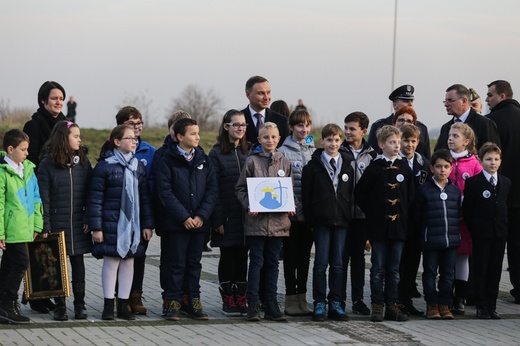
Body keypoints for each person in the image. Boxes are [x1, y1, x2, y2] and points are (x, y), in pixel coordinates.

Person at [88, 125, 154, 321]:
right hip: (111, 223)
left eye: (135, 139)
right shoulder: (104, 166)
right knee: (111, 261)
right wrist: (96, 227)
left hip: (132, 225)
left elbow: (144, 198)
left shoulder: (138, 166)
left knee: (129, 262)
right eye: (129, 138)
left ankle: (123, 304)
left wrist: (147, 225)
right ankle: (109, 304)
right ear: (117, 142)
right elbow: (95, 199)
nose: (134, 141)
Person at [155, 118, 217, 321]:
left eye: (198, 133)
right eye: (192, 133)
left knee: (194, 263)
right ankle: (173, 302)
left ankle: (193, 299)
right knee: (176, 264)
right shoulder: (167, 160)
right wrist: (184, 217)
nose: (197, 137)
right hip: (177, 224)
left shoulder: (204, 160)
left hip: (198, 225)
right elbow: (165, 192)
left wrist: (200, 216)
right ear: (180, 136)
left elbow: (211, 190)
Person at [235, 122, 294, 322]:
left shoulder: (285, 162)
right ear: (259, 140)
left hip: (278, 224)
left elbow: (288, 190)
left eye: (273, 137)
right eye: (265, 137)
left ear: (279, 139)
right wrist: (250, 204)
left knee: (273, 264)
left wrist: (290, 204)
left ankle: (271, 303)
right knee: (256, 263)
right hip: (257, 224)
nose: (270, 140)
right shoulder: (252, 161)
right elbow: (241, 189)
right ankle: (252, 303)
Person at [355, 125, 414, 322]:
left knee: (394, 269)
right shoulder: (374, 168)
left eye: (398, 142)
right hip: (379, 227)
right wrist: (373, 213)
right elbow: (360, 194)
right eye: (392, 142)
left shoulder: (404, 168)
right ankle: (377, 305)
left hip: (398, 228)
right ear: (381, 144)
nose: (397, 146)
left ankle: (392, 304)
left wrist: (403, 215)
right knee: (378, 268)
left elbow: (410, 196)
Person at [38, 121, 92, 321]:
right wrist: (45, 225)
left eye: (79, 136)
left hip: (78, 223)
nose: (79, 139)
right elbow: (44, 198)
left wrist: (88, 217)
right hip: (56, 224)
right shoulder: (47, 164)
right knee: (57, 266)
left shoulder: (84, 162)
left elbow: (91, 193)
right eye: (75, 136)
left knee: (78, 264)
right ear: (64, 138)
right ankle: (60, 305)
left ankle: (80, 304)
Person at [302, 123, 353, 322]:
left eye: (337, 140)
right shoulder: (313, 166)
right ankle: (319, 302)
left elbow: (351, 193)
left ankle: (336, 302)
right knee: (321, 263)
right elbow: (307, 196)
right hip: (321, 220)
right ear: (322, 141)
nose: (333, 143)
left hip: (341, 220)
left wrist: (347, 214)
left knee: (338, 264)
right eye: (329, 140)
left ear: (341, 141)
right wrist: (310, 219)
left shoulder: (348, 164)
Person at [209, 110, 250, 316]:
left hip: (247, 216)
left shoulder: (249, 151)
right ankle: (228, 297)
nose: (240, 129)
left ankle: (241, 296)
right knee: (228, 255)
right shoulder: (216, 153)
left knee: (243, 256)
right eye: (236, 125)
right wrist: (217, 219)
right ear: (226, 127)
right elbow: (212, 188)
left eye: (243, 125)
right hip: (225, 214)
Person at [115, 106, 156, 314]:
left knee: (139, 255)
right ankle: (118, 296)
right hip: (120, 212)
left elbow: (154, 185)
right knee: (118, 256)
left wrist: (150, 221)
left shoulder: (149, 151)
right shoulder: (111, 150)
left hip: (142, 213)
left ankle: (136, 295)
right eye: (132, 123)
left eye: (139, 122)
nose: (137, 127)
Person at [463, 142, 511, 319]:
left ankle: (492, 304)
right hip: (481, 233)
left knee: (495, 270)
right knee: (481, 269)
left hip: (499, 233)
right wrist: (476, 228)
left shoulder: (506, 182)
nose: (493, 163)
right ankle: (481, 305)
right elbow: (468, 210)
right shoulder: (474, 183)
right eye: (489, 159)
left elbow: (504, 206)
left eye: (496, 159)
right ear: (481, 161)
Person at [0, 129, 43, 324]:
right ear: (10, 149)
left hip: (25, 227)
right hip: (12, 228)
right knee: (20, 263)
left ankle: (3, 305)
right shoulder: (3, 173)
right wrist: (0, 232)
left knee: (9, 265)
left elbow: (36, 198)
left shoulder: (28, 169)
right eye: (23, 149)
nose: (27, 153)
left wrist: (37, 224)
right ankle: (9, 303)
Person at [152, 110, 192, 316]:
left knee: (188, 261)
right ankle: (170, 297)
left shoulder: (196, 152)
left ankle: (187, 296)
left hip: (191, 219)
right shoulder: (162, 154)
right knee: (170, 261)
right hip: (169, 218)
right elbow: (161, 189)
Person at [485, 80, 520, 303]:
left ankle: (486, 291)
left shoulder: (492, 121)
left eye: (490, 95)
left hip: (501, 194)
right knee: (518, 245)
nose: (487, 99)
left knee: (493, 246)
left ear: (502, 96)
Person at [415, 149, 461, 320]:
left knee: (448, 274)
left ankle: (444, 304)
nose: (442, 170)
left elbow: (459, 213)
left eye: (446, 166)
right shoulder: (424, 190)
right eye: (439, 166)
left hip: (451, 240)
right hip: (431, 240)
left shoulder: (455, 191)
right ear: (432, 168)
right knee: (429, 273)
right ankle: (432, 305)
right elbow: (418, 215)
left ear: (451, 168)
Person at [278, 109, 315, 316]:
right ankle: (290, 298)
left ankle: (302, 297)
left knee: (305, 259)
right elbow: (285, 184)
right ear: (292, 127)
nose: (304, 129)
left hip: (309, 216)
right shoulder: (283, 151)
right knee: (291, 258)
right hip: (291, 216)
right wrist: (297, 209)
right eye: (300, 125)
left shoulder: (313, 149)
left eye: (307, 125)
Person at [340, 111, 377, 316]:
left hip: (363, 217)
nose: (347, 132)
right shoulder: (339, 151)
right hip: (343, 216)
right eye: (345, 128)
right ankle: (338, 298)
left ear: (363, 131)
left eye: (352, 128)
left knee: (359, 259)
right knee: (340, 259)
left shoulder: (372, 156)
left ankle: (358, 299)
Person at [446, 122, 481, 315]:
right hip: (445, 216)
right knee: (446, 257)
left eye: (456, 136)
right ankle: (444, 294)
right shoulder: (444, 160)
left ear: (466, 141)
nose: (451, 138)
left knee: (462, 257)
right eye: (450, 135)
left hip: (464, 219)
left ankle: (460, 296)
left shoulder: (474, 163)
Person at [397, 124, 430, 317]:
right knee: (398, 263)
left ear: (418, 142)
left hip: (417, 222)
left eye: (413, 141)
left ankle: (407, 300)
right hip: (399, 220)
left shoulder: (423, 164)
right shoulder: (395, 162)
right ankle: (396, 300)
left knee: (412, 262)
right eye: (405, 140)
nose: (409, 144)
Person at [368, 85, 430, 159]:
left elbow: (426, 158)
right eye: (406, 101)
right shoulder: (379, 126)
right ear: (395, 105)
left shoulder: (421, 128)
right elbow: (372, 155)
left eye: (411, 101)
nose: (410, 104)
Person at [434, 84, 500, 152]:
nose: (446, 104)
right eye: (445, 101)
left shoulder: (484, 124)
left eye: (450, 100)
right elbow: (438, 154)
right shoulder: (445, 128)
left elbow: (493, 154)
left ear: (464, 101)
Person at [23, 81, 68, 171]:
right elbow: (30, 160)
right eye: (54, 98)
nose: (58, 102)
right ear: (43, 100)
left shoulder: (68, 126)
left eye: (61, 99)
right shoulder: (32, 126)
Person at [241, 76, 290, 147]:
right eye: (261, 93)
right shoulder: (238, 121)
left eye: (268, 92)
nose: (266, 97)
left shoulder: (282, 121)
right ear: (248, 95)